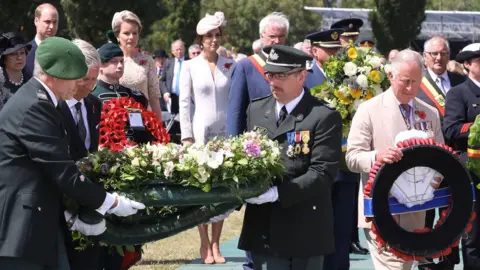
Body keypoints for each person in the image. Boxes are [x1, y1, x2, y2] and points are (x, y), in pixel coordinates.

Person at [0, 36, 145, 270]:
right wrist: (112, 202)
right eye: (75, 76)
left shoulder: (41, 100)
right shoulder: (36, 106)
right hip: (20, 231)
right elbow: (63, 172)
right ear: (56, 76)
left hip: (36, 225)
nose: (79, 83)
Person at [238, 44, 342, 270]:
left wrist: (277, 193)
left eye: (281, 76)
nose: (273, 82)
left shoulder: (322, 116)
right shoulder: (256, 110)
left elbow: (322, 173)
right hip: (262, 227)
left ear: (301, 76)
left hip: (302, 229)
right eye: (270, 75)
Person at [346, 49, 444, 270]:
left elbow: (440, 157)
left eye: (416, 82)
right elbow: (352, 157)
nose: (410, 88)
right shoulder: (368, 110)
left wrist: (435, 180)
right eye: (405, 81)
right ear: (391, 76)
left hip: (418, 210)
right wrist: (376, 157)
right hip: (381, 210)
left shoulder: (430, 113)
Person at [226, 12, 290, 270]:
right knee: (258, 214)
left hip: (288, 153)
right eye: (271, 37)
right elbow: (235, 112)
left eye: (281, 37)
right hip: (255, 154)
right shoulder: (246, 66)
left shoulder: (292, 65)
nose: (276, 41)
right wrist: (234, 153)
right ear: (262, 36)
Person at [178, 11, 234, 264]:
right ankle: (203, 242)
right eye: (209, 36)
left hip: (225, 134)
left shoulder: (229, 64)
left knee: (222, 188)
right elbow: (184, 103)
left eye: (217, 35)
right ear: (200, 39)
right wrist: (187, 136)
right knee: (201, 188)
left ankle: (216, 243)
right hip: (199, 133)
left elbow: (235, 101)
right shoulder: (189, 66)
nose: (214, 39)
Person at [414, 36, 465, 270]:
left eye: (443, 53)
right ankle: (424, 257)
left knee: (451, 211)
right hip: (425, 159)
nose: (438, 58)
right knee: (424, 210)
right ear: (425, 57)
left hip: (456, 159)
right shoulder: (416, 84)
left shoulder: (459, 81)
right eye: (433, 53)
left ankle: (448, 257)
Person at [443, 43, 480, 270]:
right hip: (473, 169)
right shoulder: (458, 93)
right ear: (467, 65)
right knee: (475, 235)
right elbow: (451, 130)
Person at [108, 10, 162, 120]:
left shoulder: (147, 61)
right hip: (115, 123)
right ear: (117, 36)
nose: (131, 37)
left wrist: (160, 131)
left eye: (135, 33)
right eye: (126, 33)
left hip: (144, 122)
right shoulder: (107, 60)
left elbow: (154, 99)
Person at [24, 3, 58, 78]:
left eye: (55, 22)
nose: (52, 26)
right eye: (47, 22)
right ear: (36, 21)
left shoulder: (62, 52)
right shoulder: (24, 53)